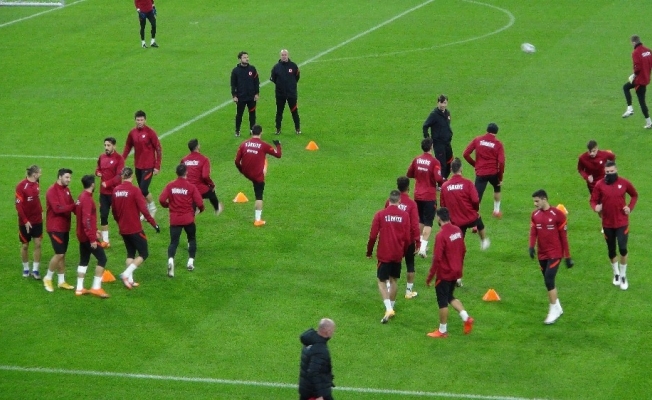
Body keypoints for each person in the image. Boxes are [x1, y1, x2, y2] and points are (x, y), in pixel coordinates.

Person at [440, 158, 490, 288]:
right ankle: (483, 240)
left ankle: (457, 277)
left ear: (451, 169)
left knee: (458, 249)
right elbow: (475, 200)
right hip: (469, 216)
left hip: (455, 221)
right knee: (479, 222)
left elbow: (443, 206)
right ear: (461, 169)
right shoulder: (467, 183)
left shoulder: (445, 186)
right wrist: (474, 210)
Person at [425, 208, 474, 338]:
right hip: (455, 271)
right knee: (449, 296)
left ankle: (442, 331)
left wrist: (430, 277)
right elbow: (463, 250)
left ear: (439, 218)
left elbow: (437, 258)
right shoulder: (457, 230)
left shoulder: (441, 235)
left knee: (442, 302)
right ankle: (466, 318)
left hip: (445, 273)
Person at [590, 161, 638, 290]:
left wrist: (630, 207)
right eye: (607, 172)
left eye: (612, 171)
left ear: (616, 170)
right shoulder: (600, 185)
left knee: (623, 248)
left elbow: (634, 195)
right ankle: (616, 273)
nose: (609, 174)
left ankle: (623, 275)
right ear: (604, 172)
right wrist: (595, 207)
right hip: (607, 224)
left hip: (622, 222)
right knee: (611, 250)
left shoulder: (624, 183)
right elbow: (593, 200)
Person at [529, 190, 574, 324]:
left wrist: (568, 256)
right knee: (548, 281)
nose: (535, 204)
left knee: (549, 279)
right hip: (542, 254)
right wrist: (531, 246)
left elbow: (564, 237)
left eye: (537, 201)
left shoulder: (558, 215)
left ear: (544, 199)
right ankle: (558, 307)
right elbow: (533, 232)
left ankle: (553, 310)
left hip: (555, 253)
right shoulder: (535, 215)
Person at [366, 190, 411, 324]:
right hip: (397, 253)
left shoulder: (380, 214)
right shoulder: (405, 215)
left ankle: (389, 309)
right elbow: (407, 238)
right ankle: (390, 308)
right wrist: (403, 252)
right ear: (399, 201)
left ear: (389, 200)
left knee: (381, 281)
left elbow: (373, 236)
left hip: (384, 253)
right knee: (393, 280)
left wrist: (369, 251)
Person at [112, 167, 160, 289]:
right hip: (134, 228)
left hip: (123, 228)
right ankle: (126, 274)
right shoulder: (135, 190)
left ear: (122, 176)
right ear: (132, 176)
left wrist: (119, 223)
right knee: (144, 253)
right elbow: (144, 210)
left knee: (130, 253)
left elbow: (114, 211)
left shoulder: (116, 190)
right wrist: (154, 224)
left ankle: (130, 280)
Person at [159, 164, 205, 277]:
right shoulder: (191, 187)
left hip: (175, 220)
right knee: (191, 238)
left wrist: (168, 205)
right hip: (188, 219)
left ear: (176, 173)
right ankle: (190, 262)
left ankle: (170, 260)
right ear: (186, 172)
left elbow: (161, 199)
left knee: (174, 242)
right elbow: (200, 203)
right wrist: (201, 210)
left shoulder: (170, 186)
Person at [234, 125, 282, 226]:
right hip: (257, 176)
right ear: (261, 133)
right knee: (259, 196)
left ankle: (259, 170)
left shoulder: (244, 144)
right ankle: (258, 220)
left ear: (252, 132)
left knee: (263, 160)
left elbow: (237, 161)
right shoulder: (263, 145)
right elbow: (278, 155)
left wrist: (241, 170)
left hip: (246, 172)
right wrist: (278, 145)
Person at [406, 138, 443, 257]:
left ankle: (418, 245)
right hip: (429, 196)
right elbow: (438, 178)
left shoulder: (417, 159)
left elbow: (409, 174)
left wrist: (420, 176)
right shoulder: (434, 162)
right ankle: (422, 249)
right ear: (431, 147)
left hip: (418, 195)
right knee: (428, 223)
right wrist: (441, 182)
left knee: (420, 220)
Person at [74, 175, 110, 298]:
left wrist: (95, 230)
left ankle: (79, 288)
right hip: (87, 237)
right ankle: (96, 287)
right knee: (102, 259)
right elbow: (86, 220)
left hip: (81, 235)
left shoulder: (81, 197)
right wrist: (92, 238)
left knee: (84, 260)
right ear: (93, 184)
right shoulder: (87, 199)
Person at [122, 110, 162, 218]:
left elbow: (158, 148)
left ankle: (152, 208)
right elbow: (128, 146)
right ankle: (146, 210)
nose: (139, 122)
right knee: (141, 191)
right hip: (138, 166)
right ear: (135, 120)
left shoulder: (150, 132)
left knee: (143, 190)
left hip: (149, 166)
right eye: (138, 120)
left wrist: (157, 166)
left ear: (145, 120)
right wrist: (122, 160)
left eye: (141, 120)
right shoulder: (132, 133)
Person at [384, 176, 420, 299]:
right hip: (408, 240)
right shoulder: (411, 204)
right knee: (410, 263)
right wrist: (418, 241)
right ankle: (408, 292)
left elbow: (385, 218)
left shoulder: (389, 201)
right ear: (408, 187)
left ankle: (388, 287)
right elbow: (415, 225)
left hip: (393, 240)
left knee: (391, 263)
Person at [43, 168, 76, 293]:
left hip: (65, 227)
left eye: (70, 177)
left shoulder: (66, 190)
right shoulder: (52, 191)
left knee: (63, 254)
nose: (69, 180)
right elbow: (57, 209)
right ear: (60, 177)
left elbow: (73, 206)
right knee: (59, 254)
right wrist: (73, 206)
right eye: (67, 177)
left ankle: (61, 281)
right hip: (55, 227)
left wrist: (83, 210)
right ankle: (48, 278)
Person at [462, 123, 505, 218]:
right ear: (496, 132)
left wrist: (475, 164)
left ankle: (474, 215)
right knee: (497, 188)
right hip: (493, 173)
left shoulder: (478, 140)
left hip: (481, 173)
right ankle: (496, 211)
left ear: (487, 130)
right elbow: (501, 162)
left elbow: (465, 154)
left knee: (477, 196)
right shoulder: (498, 144)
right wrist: (500, 177)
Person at [96, 137, 125, 248]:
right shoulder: (101, 157)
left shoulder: (119, 159)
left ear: (114, 146)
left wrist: (107, 183)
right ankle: (105, 241)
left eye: (108, 145)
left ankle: (125, 232)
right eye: (105, 145)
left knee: (118, 215)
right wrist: (97, 172)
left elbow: (119, 176)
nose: (106, 147)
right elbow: (98, 168)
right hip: (103, 193)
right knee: (103, 215)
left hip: (115, 193)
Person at [15, 165, 43, 279]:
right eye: (39, 172)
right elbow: (18, 205)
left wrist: (41, 211)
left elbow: (36, 199)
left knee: (38, 243)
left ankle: (35, 270)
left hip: (37, 220)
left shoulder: (37, 183)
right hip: (25, 221)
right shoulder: (21, 186)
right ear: (34, 174)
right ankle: (26, 268)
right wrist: (25, 221)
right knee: (25, 245)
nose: (40, 174)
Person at [181, 138, 222, 215]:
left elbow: (181, 174)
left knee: (192, 204)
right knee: (211, 192)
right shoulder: (204, 159)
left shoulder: (184, 160)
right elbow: (205, 176)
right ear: (197, 147)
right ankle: (217, 208)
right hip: (199, 188)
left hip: (186, 189)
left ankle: (193, 209)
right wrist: (212, 185)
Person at [298, 318, 336, 400]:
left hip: (306, 389)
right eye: (333, 330)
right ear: (327, 331)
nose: (333, 332)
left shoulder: (310, 341)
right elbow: (313, 372)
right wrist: (319, 395)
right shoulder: (320, 350)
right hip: (314, 393)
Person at [622, 35, 652, 128]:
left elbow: (637, 67)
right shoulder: (648, 51)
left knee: (626, 88)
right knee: (641, 100)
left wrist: (634, 75)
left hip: (639, 80)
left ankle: (630, 108)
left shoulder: (636, 52)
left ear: (634, 42)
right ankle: (649, 122)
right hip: (646, 78)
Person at [422, 94, 453, 180]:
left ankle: (443, 179)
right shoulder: (434, 115)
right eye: (441, 103)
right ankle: (440, 183)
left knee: (450, 162)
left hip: (447, 143)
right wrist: (428, 139)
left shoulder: (447, 113)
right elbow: (425, 126)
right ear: (438, 103)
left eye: (445, 103)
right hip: (439, 144)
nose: (443, 105)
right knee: (442, 164)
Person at [270, 49, 301, 135]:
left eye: (285, 55)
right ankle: (278, 129)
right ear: (280, 56)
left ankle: (298, 129)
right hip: (280, 94)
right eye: (282, 55)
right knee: (279, 112)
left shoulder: (293, 66)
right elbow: (273, 79)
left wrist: (291, 85)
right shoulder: (276, 67)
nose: (284, 56)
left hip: (291, 94)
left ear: (288, 55)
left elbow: (297, 77)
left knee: (294, 111)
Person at [231, 51, 260, 137]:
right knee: (239, 115)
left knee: (252, 114)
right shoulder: (235, 71)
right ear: (240, 59)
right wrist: (234, 95)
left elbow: (256, 82)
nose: (247, 59)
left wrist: (257, 93)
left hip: (251, 97)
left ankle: (252, 130)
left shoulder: (252, 69)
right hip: (241, 97)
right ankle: (237, 130)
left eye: (247, 57)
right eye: (244, 57)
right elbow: (233, 84)